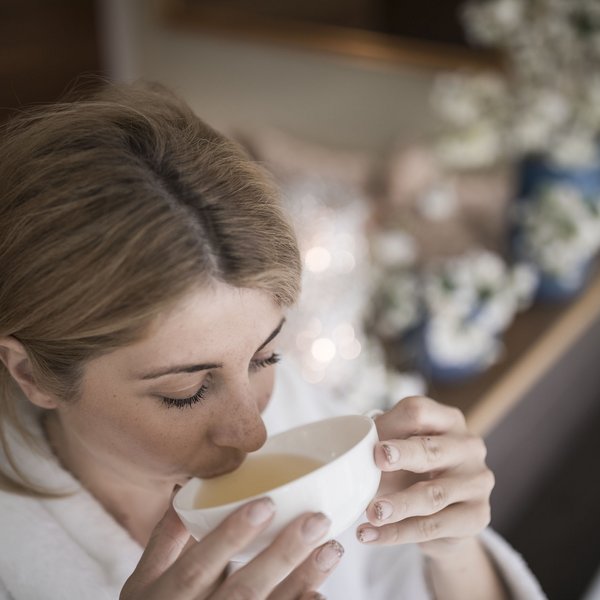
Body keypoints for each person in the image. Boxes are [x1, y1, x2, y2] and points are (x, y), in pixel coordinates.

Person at [0, 81, 545, 599]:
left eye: (265, 356)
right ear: (30, 373)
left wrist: (452, 549)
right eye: (185, 391)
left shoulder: (304, 430)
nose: (254, 431)